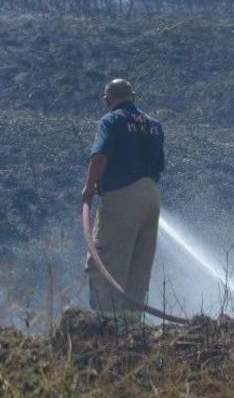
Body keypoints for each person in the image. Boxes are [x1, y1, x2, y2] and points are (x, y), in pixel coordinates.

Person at [81, 78, 165, 320]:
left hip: (122, 197)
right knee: (139, 264)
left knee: (107, 260)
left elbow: (100, 156)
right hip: (151, 199)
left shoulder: (111, 120)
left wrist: (89, 187)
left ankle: (107, 323)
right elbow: (159, 165)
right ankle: (132, 325)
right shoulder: (154, 125)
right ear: (133, 97)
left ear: (107, 100)